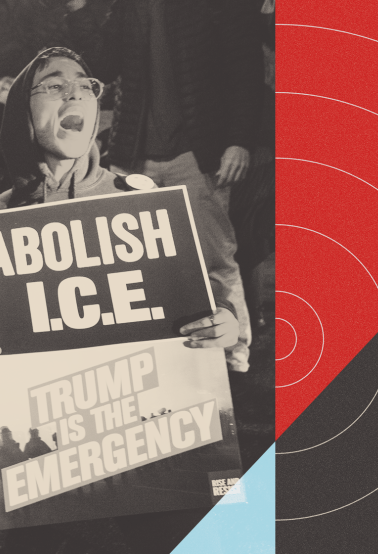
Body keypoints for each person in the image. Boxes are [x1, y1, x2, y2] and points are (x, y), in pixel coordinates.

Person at [0, 48, 239, 547]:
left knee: (201, 521)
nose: (74, 91)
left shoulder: (141, 197)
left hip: (139, 419)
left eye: (85, 84)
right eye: (53, 84)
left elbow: (209, 299)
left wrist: (226, 323)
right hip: (33, 421)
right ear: (24, 111)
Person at [66, 0, 262, 371]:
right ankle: (165, 355)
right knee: (138, 265)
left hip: (197, 153)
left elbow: (244, 72)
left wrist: (240, 142)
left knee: (214, 259)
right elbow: (99, 67)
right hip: (133, 158)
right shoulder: (127, 8)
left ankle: (234, 356)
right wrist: (78, 10)